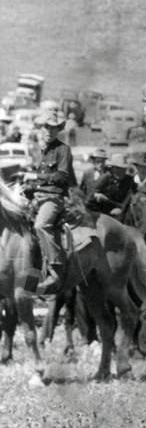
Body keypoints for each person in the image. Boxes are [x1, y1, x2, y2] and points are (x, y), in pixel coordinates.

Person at [26, 110, 75, 294]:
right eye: (47, 127)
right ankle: (30, 280)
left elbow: (62, 177)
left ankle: (55, 271)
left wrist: (37, 176)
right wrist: (27, 183)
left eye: (54, 128)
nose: (49, 131)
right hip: (36, 197)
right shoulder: (39, 151)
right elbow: (34, 178)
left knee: (41, 226)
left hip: (53, 198)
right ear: (42, 128)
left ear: (59, 130)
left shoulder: (64, 150)